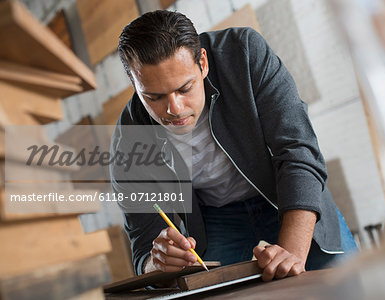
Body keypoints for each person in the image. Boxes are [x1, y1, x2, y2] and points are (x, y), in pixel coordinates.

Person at [110, 10, 357, 283]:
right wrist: (155, 262)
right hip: (216, 218)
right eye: (154, 97)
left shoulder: (244, 52)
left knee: (349, 284)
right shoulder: (128, 141)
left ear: (202, 63)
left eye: (185, 88)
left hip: (283, 193)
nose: (174, 108)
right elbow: (143, 244)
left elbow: (299, 152)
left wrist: (292, 254)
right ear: (134, 83)